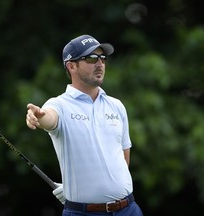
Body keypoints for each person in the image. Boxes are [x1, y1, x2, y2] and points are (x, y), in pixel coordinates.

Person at [26, 34, 143, 216]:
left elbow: (123, 159)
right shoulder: (60, 105)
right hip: (83, 213)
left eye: (102, 58)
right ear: (71, 66)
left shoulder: (117, 105)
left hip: (128, 210)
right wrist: (38, 116)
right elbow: (48, 117)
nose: (100, 64)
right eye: (91, 58)